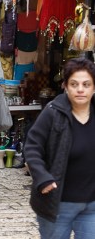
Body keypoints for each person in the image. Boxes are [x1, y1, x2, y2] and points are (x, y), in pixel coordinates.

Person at [25, 57, 95, 239]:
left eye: (86, 84)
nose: (80, 89)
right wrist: (42, 177)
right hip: (57, 204)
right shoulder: (53, 112)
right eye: (74, 84)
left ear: (94, 87)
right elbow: (32, 146)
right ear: (65, 86)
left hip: (91, 206)